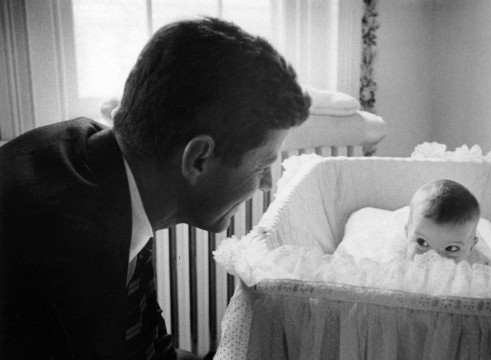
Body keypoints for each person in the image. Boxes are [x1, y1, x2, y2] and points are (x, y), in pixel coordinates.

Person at [0, 17, 310, 360]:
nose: (268, 184)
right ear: (198, 159)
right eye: (262, 166)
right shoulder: (64, 248)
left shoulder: (114, 168)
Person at [337, 179, 491, 265]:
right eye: (422, 243)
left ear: (471, 246)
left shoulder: (476, 264)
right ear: (407, 234)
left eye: (452, 248)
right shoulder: (397, 259)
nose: (435, 259)